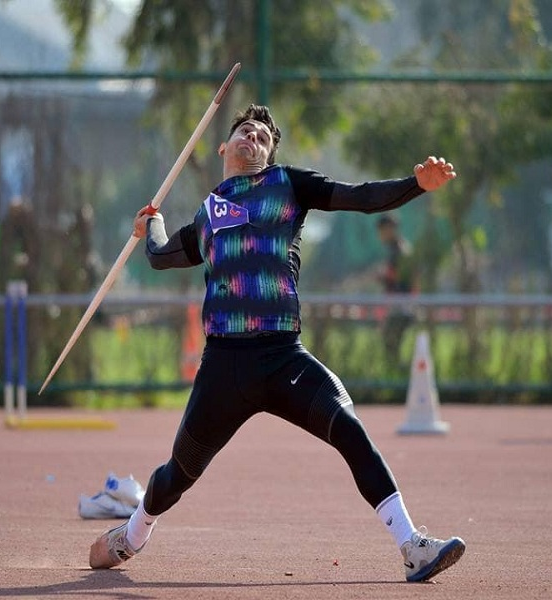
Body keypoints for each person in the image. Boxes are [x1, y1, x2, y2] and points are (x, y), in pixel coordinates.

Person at [88, 104, 466, 582]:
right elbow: (162, 255)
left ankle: (412, 546)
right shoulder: (208, 214)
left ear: (268, 155)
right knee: (177, 475)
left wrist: (416, 184)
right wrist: (152, 224)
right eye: (246, 131)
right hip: (224, 366)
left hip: (284, 357)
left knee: (350, 429)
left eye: (263, 137)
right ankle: (134, 533)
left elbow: (361, 197)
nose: (253, 137)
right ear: (224, 147)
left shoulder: (289, 185)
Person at [376, 214, 417, 362]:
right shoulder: (395, 249)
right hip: (396, 303)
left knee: (392, 342)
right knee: (390, 343)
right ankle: (395, 369)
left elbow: (405, 277)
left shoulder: (401, 250)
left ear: (390, 229)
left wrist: (383, 275)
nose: (380, 235)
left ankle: (397, 370)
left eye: (382, 230)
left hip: (400, 304)